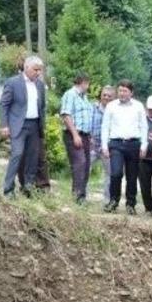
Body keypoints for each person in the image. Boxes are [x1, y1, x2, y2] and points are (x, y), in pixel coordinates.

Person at [0, 56, 46, 197]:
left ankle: (28, 187)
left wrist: (42, 125)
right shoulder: (13, 82)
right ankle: (8, 189)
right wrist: (4, 125)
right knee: (17, 154)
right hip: (18, 125)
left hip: (34, 125)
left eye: (40, 70)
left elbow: (42, 106)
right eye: (35, 69)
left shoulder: (39, 85)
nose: (38, 73)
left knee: (32, 158)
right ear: (26, 67)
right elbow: (4, 104)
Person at [101, 80, 147, 214]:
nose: (122, 93)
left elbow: (143, 126)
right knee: (115, 173)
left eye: (125, 91)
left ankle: (130, 204)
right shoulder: (111, 106)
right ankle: (113, 201)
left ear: (131, 93)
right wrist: (104, 145)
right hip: (116, 144)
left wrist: (144, 145)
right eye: (120, 90)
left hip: (133, 144)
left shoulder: (138, 106)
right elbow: (105, 126)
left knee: (132, 176)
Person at [60, 72, 94, 203]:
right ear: (84, 82)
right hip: (74, 134)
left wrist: (88, 136)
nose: (88, 86)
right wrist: (75, 135)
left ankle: (82, 195)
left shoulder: (84, 97)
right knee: (79, 164)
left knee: (85, 165)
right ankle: (77, 196)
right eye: (88, 83)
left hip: (85, 135)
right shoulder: (70, 94)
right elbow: (66, 115)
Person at [90, 85, 115, 203]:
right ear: (101, 95)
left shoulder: (116, 110)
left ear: (113, 98)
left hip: (108, 148)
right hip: (93, 145)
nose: (106, 97)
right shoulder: (93, 107)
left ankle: (107, 200)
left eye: (109, 96)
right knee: (84, 170)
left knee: (109, 174)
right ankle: (81, 197)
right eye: (104, 95)